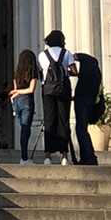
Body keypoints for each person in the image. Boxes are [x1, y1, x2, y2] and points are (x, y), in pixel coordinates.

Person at [37, 29, 77, 164]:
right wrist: (66, 72)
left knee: (49, 120)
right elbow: (75, 71)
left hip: (48, 90)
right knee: (63, 120)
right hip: (63, 90)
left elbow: (41, 72)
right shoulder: (67, 54)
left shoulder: (42, 55)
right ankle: (64, 155)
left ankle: (48, 155)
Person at [72, 49, 104, 167]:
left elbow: (72, 58)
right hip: (90, 101)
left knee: (80, 129)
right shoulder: (95, 73)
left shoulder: (84, 77)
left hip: (81, 102)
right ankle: (87, 157)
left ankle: (89, 156)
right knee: (83, 129)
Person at [9, 49, 39, 164]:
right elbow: (31, 90)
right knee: (26, 130)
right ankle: (24, 158)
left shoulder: (17, 73)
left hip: (17, 102)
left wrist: (16, 93)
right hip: (27, 102)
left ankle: (24, 157)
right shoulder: (32, 74)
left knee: (23, 128)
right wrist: (20, 92)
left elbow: (16, 90)